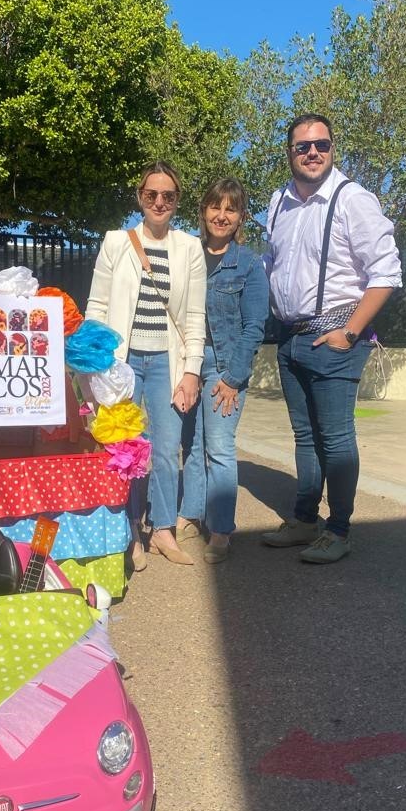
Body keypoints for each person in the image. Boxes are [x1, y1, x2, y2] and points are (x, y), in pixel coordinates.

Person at [260, 113, 402, 563]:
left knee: (336, 438)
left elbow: (387, 272)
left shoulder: (352, 199)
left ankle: (338, 530)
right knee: (305, 436)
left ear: (332, 148)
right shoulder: (278, 201)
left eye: (321, 144)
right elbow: (272, 264)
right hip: (291, 337)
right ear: (290, 153)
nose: (313, 152)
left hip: (336, 336)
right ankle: (305, 520)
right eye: (303, 146)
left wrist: (351, 331)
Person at [85, 160, 206, 567]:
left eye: (168, 196)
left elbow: (193, 316)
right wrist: (95, 363)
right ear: (140, 197)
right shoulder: (116, 242)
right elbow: (97, 306)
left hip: (166, 363)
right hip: (123, 361)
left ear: (177, 202)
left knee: (168, 447)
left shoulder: (190, 249)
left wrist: (191, 372)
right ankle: (131, 533)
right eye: (151, 194)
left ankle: (165, 531)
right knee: (126, 449)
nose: (159, 202)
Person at [178, 177, 269, 563]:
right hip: (189, 364)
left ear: (240, 217)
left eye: (230, 209)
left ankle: (220, 529)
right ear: (203, 212)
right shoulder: (188, 255)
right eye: (215, 206)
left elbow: (255, 327)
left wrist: (233, 378)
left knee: (218, 447)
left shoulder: (248, 263)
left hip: (224, 366)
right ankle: (189, 512)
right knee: (192, 446)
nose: (221, 215)